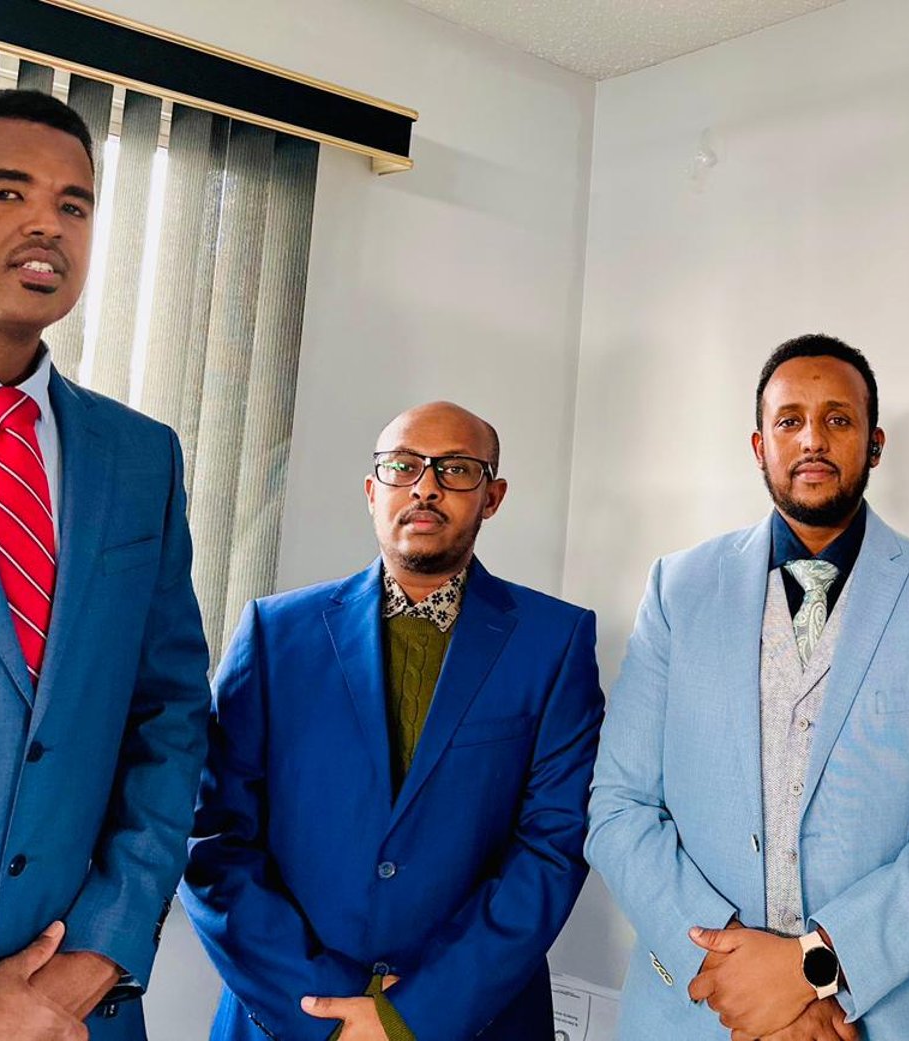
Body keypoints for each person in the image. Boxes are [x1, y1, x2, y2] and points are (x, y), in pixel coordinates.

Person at [0, 89, 211, 1039]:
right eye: (6, 192)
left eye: (74, 204)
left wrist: (93, 961)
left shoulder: (141, 457)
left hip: (76, 1012)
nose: (45, 226)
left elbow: (169, 715)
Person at [586, 334, 909, 1040]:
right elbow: (618, 806)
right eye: (789, 420)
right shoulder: (679, 589)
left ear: (874, 444)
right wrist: (740, 976)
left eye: (838, 419)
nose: (812, 438)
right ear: (759, 445)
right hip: (698, 1010)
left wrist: (814, 967)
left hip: (892, 1017)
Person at [183, 401, 604, 1040]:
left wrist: (410, 1017)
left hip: (471, 1020)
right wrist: (320, 1007)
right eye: (403, 467)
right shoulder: (274, 634)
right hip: (286, 1018)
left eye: (457, 469)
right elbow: (212, 839)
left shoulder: (555, 641)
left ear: (493, 497)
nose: (426, 486)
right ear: (372, 491)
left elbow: (552, 848)